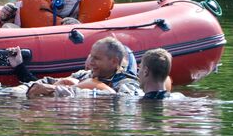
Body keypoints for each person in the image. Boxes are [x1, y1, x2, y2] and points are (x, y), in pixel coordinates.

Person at [12, 37, 141, 98]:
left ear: (114, 62)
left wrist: (72, 91)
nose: (90, 62)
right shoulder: (84, 75)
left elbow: (124, 100)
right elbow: (50, 81)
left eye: (96, 59)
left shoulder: (127, 83)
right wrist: (25, 88)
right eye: (91, 57)